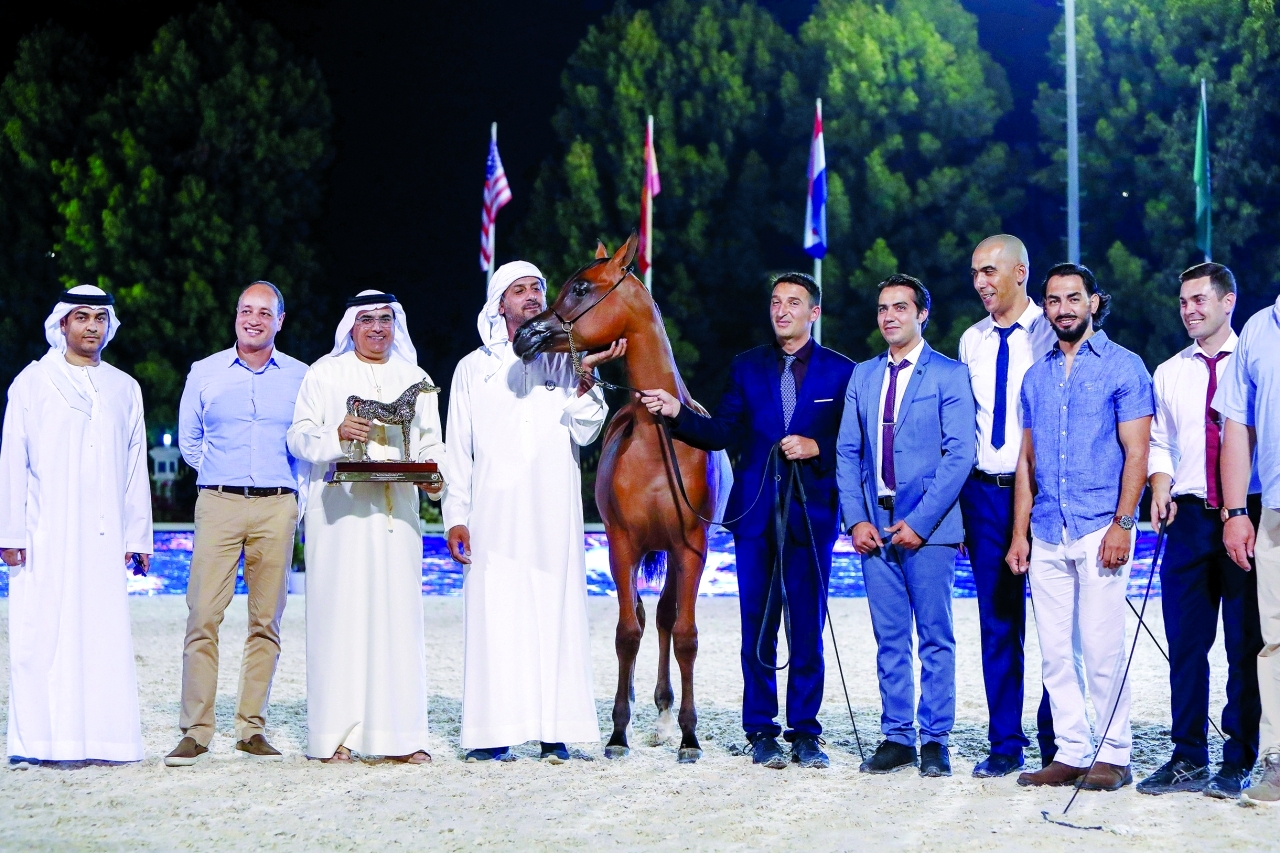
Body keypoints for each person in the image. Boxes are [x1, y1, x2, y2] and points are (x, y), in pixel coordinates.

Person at [642, 273, 854, 770]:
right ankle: (760, 730)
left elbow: (851, 445)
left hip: (811, 517)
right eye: (776, 301)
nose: (782, 310)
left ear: (813, 313)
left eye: (794, 302)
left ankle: (805, 732)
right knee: (756, 628)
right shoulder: (747, 367)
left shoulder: (842, 372)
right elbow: (721, 431)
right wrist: (677, 413)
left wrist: (817, 447)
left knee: (806, 629)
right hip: (755, 520)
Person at [443, 261, 622, 763]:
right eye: (518, 290)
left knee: (554, 613)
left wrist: (588, 380)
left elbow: (587, 430)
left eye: (536, 289)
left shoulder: (569, 361)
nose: (528, 297)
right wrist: (455, 515)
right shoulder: (472, 368)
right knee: (494, 619)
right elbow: (457, 450)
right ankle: (493, 732)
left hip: (552, 514)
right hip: (492, 517)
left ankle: (554, 730)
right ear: (499, 303)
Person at [1009, 263, 1153, 792]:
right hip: (1047, 529)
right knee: (1054, 652)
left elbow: (1136, 452)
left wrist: (1123, 523)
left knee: (1101, 648)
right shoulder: (1036, 376)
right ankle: (1070, 751)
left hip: (1100, 528)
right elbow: (1027, 462)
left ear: (1094, 302)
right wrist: (1019, 533)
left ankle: (1114, 754)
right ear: (1044, 308)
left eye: (1073, 298)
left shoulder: (1124, 367)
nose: (1063, 308)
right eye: (1053, 300)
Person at [286, 290, 445, 764]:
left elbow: (432, 443)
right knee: (340, 622)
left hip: (396, 520)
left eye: (385, 319)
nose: (377, 328)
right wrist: (336, 435)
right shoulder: (324, 374)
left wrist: (435, 474)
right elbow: (298, 435)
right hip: (340, 519)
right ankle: (336, 737)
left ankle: (400, 738)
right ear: (350, 327)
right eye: (367, 320)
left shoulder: (415, 378)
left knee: (397, 623)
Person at [0, 285, 153, 768]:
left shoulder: (125, 388)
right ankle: (40, 744)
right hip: (45, 534)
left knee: (102, 636)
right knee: (40, 637)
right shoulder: (31, 382)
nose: (92, 326)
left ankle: (107, 743)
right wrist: (9, 533)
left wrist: (138, 535)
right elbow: (12, 462)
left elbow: (134, 468)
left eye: (100, 318)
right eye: (82, 317)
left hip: (104, 538)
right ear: (62, 323)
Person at [836, 274, 975, 778]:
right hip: (874, 527)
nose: (889, 316)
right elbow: (847, 454)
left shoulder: (949, 375)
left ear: (922, 315)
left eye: (900, 307)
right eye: (882, 308)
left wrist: (920, 522)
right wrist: (855, 520)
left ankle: (935, 738)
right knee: (890, 637)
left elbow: (960, 454)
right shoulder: (864, 376)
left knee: (936, 635)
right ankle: (897, 736)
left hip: (930, 529)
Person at [165, 282, 308, 767]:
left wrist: (288, 495)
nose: (253, 319)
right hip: (219, 502)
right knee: (203, 615)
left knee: (266, 622)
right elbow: (190, 441)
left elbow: (305, 444)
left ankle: (251, 729)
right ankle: (196, 729)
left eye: (264, 312)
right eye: (245, 309)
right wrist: (221, 478)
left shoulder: (300, 376)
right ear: (236, 315)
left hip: (276, 505)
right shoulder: (204, 372)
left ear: (280, 321)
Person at [1137, 263, 1263, 799]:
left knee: (1244, 645)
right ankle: (1187, 754)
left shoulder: (1256, 362)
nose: (1189, 310)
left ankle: (1238, 758)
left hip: (1245, 515)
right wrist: (1159, 482)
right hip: (1187, 518)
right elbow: (1159, 441)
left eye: (1198, 300)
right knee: (1186, 645)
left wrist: (1246, 514)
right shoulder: (1168, 371)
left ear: (1227, 301)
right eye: (1183, 301)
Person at [957, 235, 1058, 777]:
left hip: (1044, 496)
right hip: (984, 496)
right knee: (998, 624)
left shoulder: (1052, 331)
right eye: (975, 273)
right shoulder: (971, 341)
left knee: (1056, 623)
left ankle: (1055, 740)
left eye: (990, 271)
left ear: (1020, 272)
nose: (980, 282)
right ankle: (1004, 744)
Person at [1216, 286, 1280, 804]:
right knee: (1276, 640)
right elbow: (1237, 426)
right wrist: (1236, 511)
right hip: (1275, 512)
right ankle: (1277, 761)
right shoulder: (1259, 329)